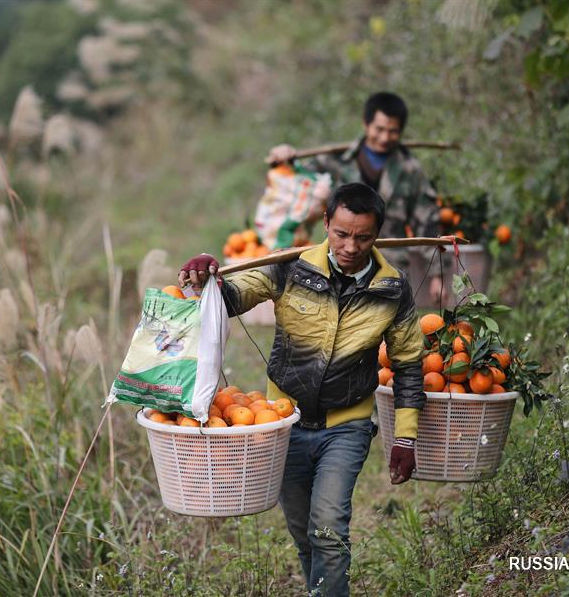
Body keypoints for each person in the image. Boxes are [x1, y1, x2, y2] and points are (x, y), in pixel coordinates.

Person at [179, 183, 425, 597]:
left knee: (328, 527)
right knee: (303, 531)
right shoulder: (291, 267)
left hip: (346, 426)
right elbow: (235, 296)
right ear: (326, 223)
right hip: (283, 423)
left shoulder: (392, 289)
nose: (350, 245)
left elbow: (408, 365)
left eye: (363, 237)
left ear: (377, 234)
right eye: (342, 233)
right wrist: (209, 279)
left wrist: (405, 437)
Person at [268, 91, 442, 292]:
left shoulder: (410, 170)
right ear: (366, 124)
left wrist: (437, 274)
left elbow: (427, 221)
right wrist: (285, 157)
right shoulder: (336, 161)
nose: (385, 137)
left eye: (393, 131)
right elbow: (297, 178)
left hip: (390, 268)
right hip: (339, 263)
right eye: (379, 129)